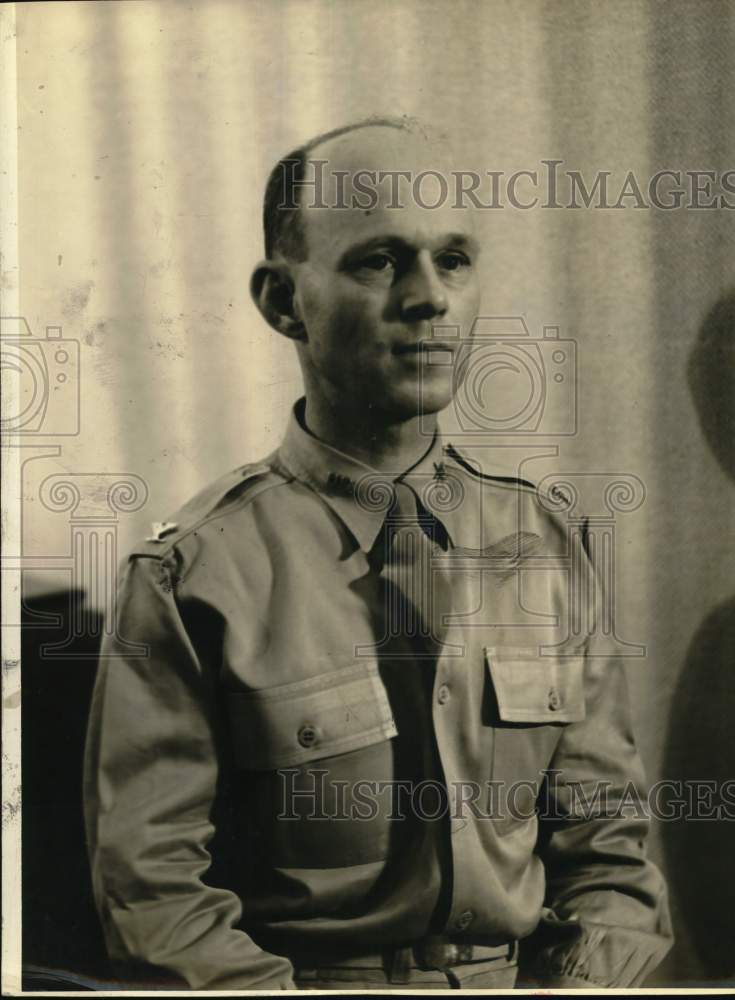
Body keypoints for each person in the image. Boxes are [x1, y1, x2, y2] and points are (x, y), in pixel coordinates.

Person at [84, 116, 673, 991]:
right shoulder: (192, 576)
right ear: (284, 302)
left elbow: (610, 859)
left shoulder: (544, 548)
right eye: (379, 260)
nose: (429, 297)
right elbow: (153, 894)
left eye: (455, 260)